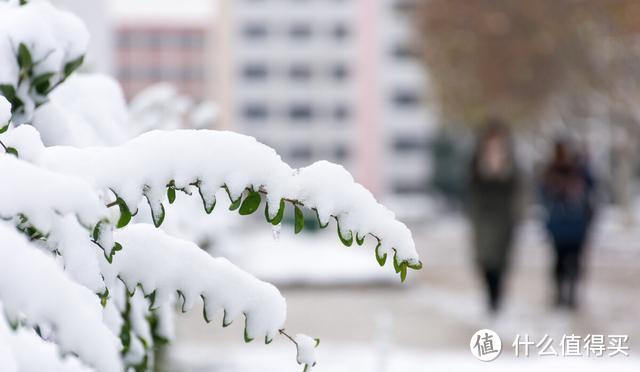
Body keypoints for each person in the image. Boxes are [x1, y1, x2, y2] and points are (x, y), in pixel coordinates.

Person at [467, 119, 522, 313]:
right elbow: (471, 189)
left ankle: (497, 298)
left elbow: (518, 189)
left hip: (505, 219)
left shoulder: (512, 165)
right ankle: (491, 296)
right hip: (483, 219)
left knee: (502, 260)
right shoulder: (475, 164)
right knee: (485, 260)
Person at [540, 140, 595, 310]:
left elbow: (592, 194)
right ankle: (561, 294)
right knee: (560, 260)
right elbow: (543, 195)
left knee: (574, 261)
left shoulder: (581, 173)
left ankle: (570, 294)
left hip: (576, 225)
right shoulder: (551, 173)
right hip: (559, 225)